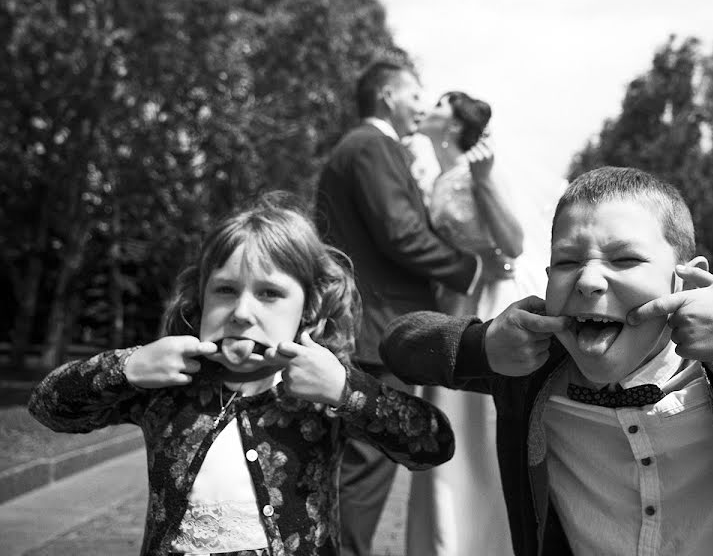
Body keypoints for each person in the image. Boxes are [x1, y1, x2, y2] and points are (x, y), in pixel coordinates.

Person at [380, 166, 713, 556]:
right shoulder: (531, 368)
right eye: (566, 261)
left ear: (687, 278)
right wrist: (483, 344)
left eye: (624, 259)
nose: (587, 280)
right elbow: (399, 345)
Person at [28, 191, 455, 556]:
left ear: (310, 312)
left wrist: (347, 391)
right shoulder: (167, 388)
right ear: (200, 299)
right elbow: (49, 406)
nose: (242, 312)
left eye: (269, 294)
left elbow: (432, 443)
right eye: (226, 290)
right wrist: (127, 368)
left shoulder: (321, 392)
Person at [314, 62, 507, 556]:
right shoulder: (370, 146)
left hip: (366, 321)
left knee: (357, 460)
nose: (422, 106)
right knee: (366, 464)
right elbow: (400, 234)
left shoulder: (368, 148)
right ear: (386, 95)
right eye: (415, 94)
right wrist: (469, 271)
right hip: (378, 326)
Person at [402, 91, 547, 556]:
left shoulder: (480, 170)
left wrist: (484, 180)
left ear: (457, 123)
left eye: (441, 103)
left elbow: (514, 242)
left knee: (486, 423)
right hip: (461, 299)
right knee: (455, 421)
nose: (428, 106)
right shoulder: (440, 177)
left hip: (493, 299)